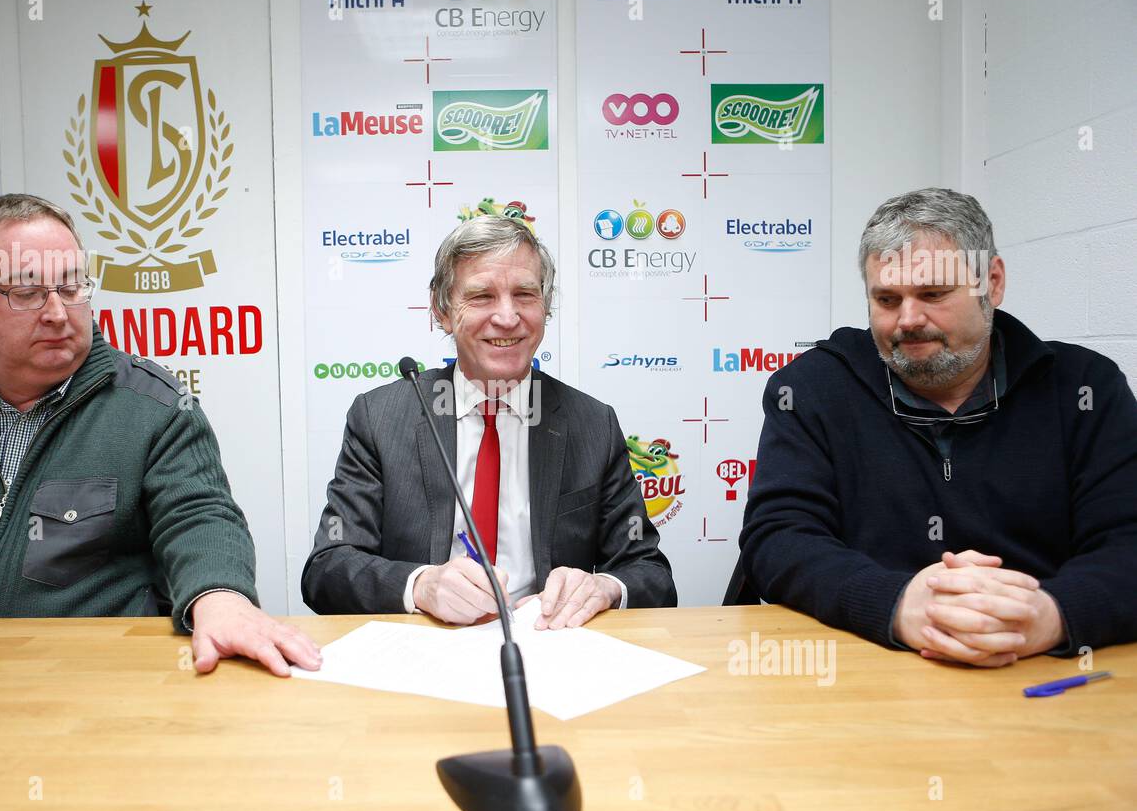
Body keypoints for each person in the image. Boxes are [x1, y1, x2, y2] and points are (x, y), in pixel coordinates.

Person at [0, 194, 320, 676]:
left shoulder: (154, 407)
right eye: (26, 293)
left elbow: (199, 517)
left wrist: (220, 595)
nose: (56, 313)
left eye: (71, 288)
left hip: (91, 676)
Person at [741, 187, 1137, 666]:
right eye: (887, 299)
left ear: (992, 283)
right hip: (869, 668)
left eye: (933, 294)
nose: (908, 320)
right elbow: (778, 539)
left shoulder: (1085, 389)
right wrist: (900, 604)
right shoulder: (810, 389)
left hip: (1044, 671)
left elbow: (1127, 542)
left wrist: (1048, 617)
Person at [303, 215, 676, 628]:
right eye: (481, 296)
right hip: (423, 649)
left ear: (545, 307)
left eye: (524, 294)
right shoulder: (379, 418)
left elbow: (650, 572)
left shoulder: (592, 424)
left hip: (549, 651)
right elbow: (328, 566)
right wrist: (421, 586)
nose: (507, 316)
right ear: (442, 311)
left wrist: (604, 587)